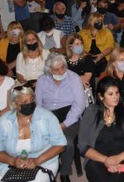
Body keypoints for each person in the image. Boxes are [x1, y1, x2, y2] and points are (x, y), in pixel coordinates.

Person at [0, 85, 66, 181]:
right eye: (25, 102)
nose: (29, 104)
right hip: (11, 164)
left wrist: (37, 161)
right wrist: (13, 161)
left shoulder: (47, 117)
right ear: (14, 104)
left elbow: (60, 145)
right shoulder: (4, 121)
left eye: (32, 100)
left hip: (43, 162)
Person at [77, 77, 124, 182]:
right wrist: (106, 160)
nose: (115, 97)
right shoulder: (90, 113)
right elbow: (82, 145)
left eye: (117, 93)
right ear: (100, 96)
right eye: (110, 94)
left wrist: (118, 158)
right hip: (97, 159)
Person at [35, 53, 86, 182]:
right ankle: (45, 168)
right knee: (39, 138)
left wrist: (64, 124)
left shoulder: (73, 78)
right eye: (56, 69)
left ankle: (64, 172)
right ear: (49, 70)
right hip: (47, 116)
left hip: (69, 115)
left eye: (62, 67)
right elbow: (38, 104)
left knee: (66, 141)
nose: (61, 71)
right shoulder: (42, 80)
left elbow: (79, 105)